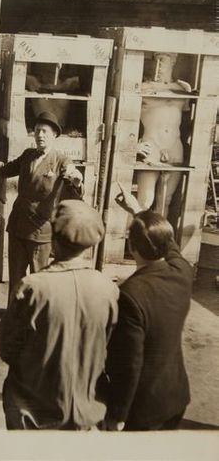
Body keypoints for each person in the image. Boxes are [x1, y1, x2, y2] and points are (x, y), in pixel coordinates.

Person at [0, 200, 119, 430]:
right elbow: (111, 347)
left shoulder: (33, 287)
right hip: (88, 413)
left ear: (53, 240)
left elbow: (7, 347)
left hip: (33, 414)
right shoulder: (108, 288)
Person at [102, 183, 194, 431]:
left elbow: (129, 364)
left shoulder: (131, 295)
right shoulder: (182, 272)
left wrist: (118, 414)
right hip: (175, 397)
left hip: (142, 408)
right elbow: (170, 242)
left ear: (131, 248)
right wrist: (138, 210)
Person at [0, 111, 84, 294]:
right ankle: (13, 315)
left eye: (45, 131)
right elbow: (5, 170)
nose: (40, 135)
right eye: (37, 131)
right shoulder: (28, 155)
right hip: (17, 225)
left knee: (38, 279)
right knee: (16, 278)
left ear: (54, 135)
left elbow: (74, 185)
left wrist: (77, 182)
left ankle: (34, 317)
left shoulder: (61, 161)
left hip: (40, 230)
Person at [136, 52, 191, 215]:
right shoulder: (144, 87)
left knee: (165, 201)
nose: (158, 66)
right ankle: (135, 239)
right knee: (144, 201)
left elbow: (187, 123)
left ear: (173, 62)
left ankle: (159, 240)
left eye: (163, 61)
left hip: (174, 145)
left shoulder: (183, 89)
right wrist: (134, 145)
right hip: (151, 144)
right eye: (156, 61)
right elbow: (127, 117)